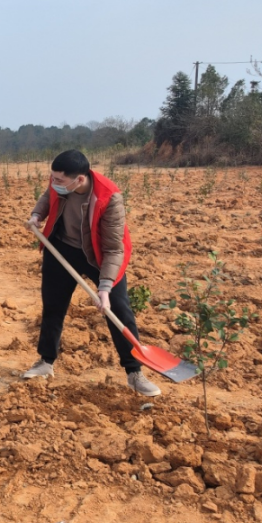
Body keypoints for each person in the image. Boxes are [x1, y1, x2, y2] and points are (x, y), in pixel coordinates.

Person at [23, 150, 161, 397]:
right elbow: (48, 196)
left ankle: (134, 372)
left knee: (118, 309)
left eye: (60, 181)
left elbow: (113, 249)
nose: (54, 183)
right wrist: (37, 214)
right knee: (53, 306)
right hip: (62, 248)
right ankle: (45, 362)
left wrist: (105, 288)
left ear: (80, 179)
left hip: (99, 256)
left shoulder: (109, 198)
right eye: (52, 178)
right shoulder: (60, 181)